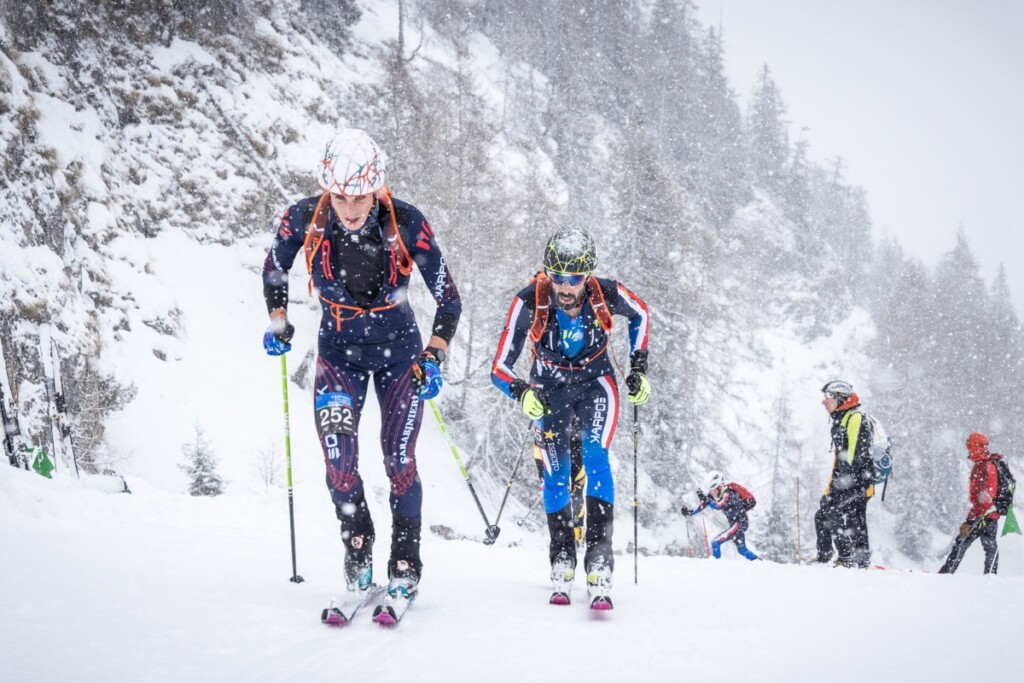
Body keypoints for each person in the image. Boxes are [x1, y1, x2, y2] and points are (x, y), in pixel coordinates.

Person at [261, 129, 461, 600]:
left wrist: (434, 354)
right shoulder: (303, 218)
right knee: (339, 465)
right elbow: (274, 267)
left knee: (398, 459)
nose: (350, 209)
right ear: (329, 188)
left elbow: (449, 299)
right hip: (338, 354)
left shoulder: (407, 222)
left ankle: (406, 558)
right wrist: (278, 320)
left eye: (361, 198)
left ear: (378, 189)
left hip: (401, 352)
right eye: (342, 198)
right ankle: (358, 545)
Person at [491, 228, 651, 605]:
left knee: (595, 455)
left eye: (574, 279)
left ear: (588, 275)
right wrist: (521, 392)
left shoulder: (606, 292)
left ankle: (599, 555)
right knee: (556, 470)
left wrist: (638, 368)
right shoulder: (529, 299)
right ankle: (562, 552)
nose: (565, 288)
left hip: (597, 384)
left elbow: (641, 313)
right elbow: (499, 365)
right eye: (557, 277)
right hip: (549, 389)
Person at [813, 380, 876, 568]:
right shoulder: (843, 418)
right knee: (835, 515)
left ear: (840, 399)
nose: (824, 402)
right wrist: (831, 488)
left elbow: (855, 457)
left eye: (828, 398)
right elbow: (839, 461)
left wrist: (843, 487)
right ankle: (847, 558)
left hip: (858, 481)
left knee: (837, 514)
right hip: (848, 481)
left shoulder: (855, 418)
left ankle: (850, 558)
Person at [938, 432, 1002, 575]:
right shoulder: (982, 464)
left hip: (984, 514)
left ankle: (947, 573)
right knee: (989, 546)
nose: (968, 449)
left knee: (961, 543)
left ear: (976, 446)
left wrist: (973, 517)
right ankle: (991, 576)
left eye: (970, 446)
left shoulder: (986, 466)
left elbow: (988, 493)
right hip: (988, 514)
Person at [532, 418, 586, 547]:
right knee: (574, 489)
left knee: (564, 489)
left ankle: (571, 534)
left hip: (556, 434)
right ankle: (574, 534)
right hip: (574, 433)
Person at [682, 471, 759, 560]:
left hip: (740, 523)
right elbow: (704, 505)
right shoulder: (716, 495)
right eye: (709, 490)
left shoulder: (729, 494)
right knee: (741, 549)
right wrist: (690, 512)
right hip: (736, 524)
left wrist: (707, 500)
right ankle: (759, 562)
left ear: (719, 487)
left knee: (715, 542)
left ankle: (716, 567)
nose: (710, 492)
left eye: (712, 489)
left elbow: (719, 505)